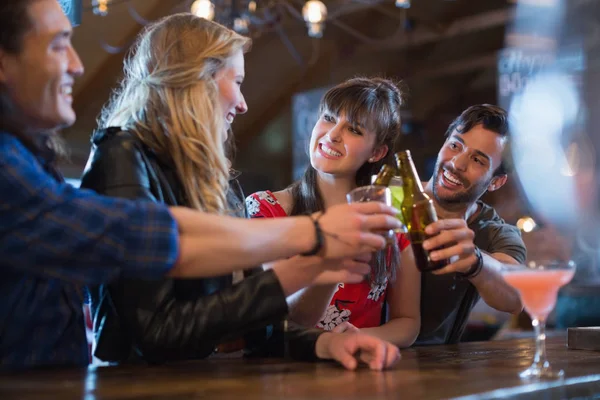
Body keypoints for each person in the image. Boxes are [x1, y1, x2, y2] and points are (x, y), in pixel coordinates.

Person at [0, 0, 401, 370]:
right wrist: (314, 239)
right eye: (238, 81)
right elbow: (148, 260)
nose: (244, 104)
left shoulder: (217, 179)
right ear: (193, 81)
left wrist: (320, 344)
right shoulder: (116, 156)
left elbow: (249, 323)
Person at [247, 77, 421, 348]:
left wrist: (358, 338)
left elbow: (408, 322)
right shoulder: (265, 209)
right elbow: (277, 312)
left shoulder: (391, 222)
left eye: (353, 129)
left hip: (362, 374)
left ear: (377, 153)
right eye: (328, 118)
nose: (332, 135)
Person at [413, 104, 527, 345]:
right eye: (455, 145)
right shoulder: (389, 195)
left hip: (430, 368)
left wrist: (476, 262)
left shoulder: (496, 232)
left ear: (496, 182)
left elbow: (517, 296)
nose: (457, 163)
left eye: (478, 160)